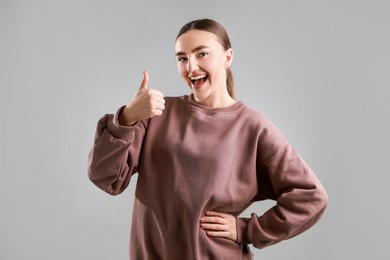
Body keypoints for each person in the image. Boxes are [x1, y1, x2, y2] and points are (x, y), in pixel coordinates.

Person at [87, 18, 328, 259]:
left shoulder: (253, 127)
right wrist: (126, 118)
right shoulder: (155, 115)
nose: (191, 67)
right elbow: (105, 177)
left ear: (227, 57)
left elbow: (311, 197)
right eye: (182, 58)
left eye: (202, 54)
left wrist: (246, 230)